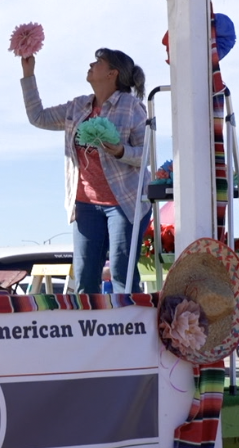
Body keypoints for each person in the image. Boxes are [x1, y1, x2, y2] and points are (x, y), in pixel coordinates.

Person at [21, 48, 148, 294]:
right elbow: (38, 117)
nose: (91, 64)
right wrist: (29, 74)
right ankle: (91, 331)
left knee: (122, 277)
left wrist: (121, 150)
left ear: (112, 73)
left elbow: (148, 155)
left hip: (125, 203)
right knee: (85, 281)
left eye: (98, 62)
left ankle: (129, 330)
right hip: (85, 205)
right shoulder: (78, 106)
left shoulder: (132, 107)